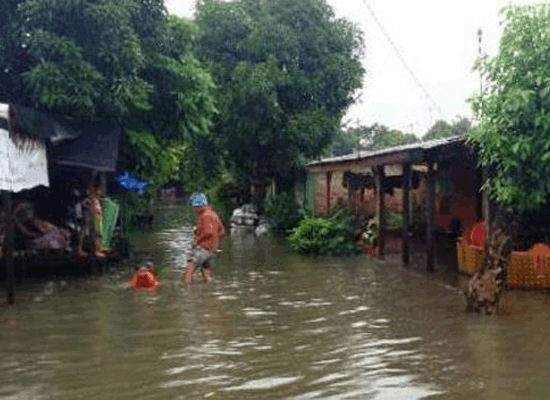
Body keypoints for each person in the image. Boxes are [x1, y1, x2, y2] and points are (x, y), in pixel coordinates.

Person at [185, 192, 224, 286]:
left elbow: (208, 232)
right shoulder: (214, 214)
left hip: (204, 248)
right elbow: (221, 232)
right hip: (212, 249)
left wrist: (197, 242)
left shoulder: (205, 215)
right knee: (205, 269)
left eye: (194, 207)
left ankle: (186, 287)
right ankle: (208, 288)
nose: (194, 210)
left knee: (191, 265)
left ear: (199, 206)